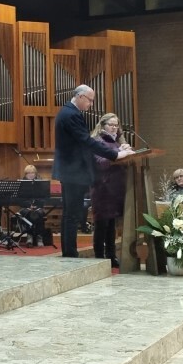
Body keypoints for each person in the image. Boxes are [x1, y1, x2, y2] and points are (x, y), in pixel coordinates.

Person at [52, 85, 133, 258]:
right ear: (80, 97)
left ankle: (69, 253)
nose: (91, 104)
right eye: (90, 100)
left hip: (69, 170)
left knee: (70, 214)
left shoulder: (67, 112)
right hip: (73, 171)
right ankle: (70, 254)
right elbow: (87, 142)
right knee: (72, 215)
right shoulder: (72, 114)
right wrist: (115, 155)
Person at [89, 113, 129, 267]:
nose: (114, 128)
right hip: (102, 188)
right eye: (111, 125)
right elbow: (100, 162)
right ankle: (99, 257)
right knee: (102, 224)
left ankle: (111, 256)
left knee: (112, 224)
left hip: (115, 188)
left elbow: (122, 162)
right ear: (103, 125)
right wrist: (119, 155)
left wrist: (126, 151)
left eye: (116, 125)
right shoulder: (97, 141)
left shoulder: (116, 142)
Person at [17, 164, 50, 248]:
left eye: (33, 173)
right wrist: (29, 205)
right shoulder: (21, 184)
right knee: (28, 213)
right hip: (25, 207)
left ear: (35, 174)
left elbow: (44, 198)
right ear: (25, 174)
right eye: (29, 173)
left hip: (38, 207)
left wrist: (36, 205)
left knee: (39, 213)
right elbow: (19, 200)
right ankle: (30, 236)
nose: (31, 175)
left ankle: (39, 237)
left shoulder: (40, 183)